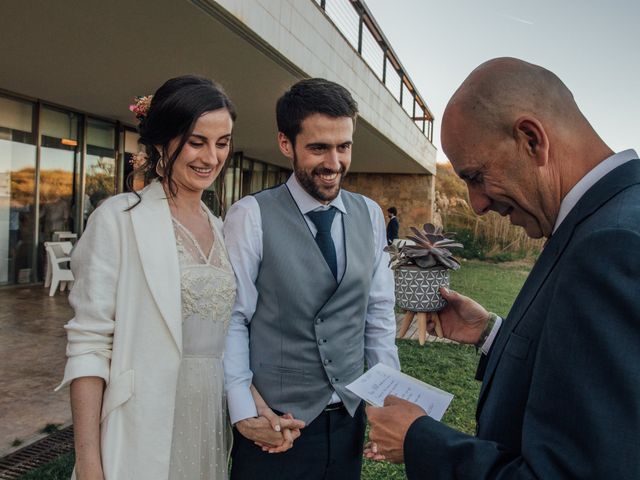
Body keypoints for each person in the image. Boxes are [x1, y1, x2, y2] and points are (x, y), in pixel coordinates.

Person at [366, 57, 640, 479]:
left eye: (477, 176)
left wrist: (418, 439)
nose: (477, 205)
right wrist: (492, 334)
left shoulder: (612, 244)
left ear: (532, 139)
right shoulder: (612, 216)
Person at [57, 75, 271, 479]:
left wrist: (250, 401)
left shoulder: (222, 228)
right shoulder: (118, 219)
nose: (211, 156)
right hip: (141, 424)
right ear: (161, 143)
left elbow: (220, 339)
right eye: (196, 141)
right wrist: (88, 464)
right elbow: (88, 344)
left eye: (222, 143)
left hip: (208, 419)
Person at [223, 78, 400, 480]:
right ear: (286, 144)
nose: (334, 163)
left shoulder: (370, 215)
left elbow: (378, 314)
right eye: (319, 147)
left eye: (344, 146)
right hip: (275, 425)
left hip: (348, 423)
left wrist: (384, 400)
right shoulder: (250, 215)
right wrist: (244, 410)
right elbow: (233, 318)